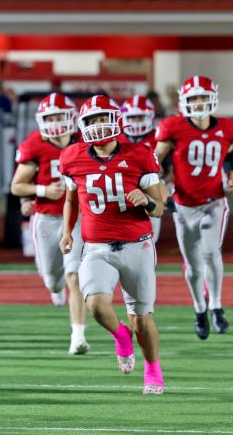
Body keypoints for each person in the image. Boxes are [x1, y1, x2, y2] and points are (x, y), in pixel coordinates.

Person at [60, 95, 167, 395]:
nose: (96, 126)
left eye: (101, 118)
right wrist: (67, 231)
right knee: (94, 302)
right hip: (97, 246)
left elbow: (159, 207)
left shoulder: (139, 154)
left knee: (142, 319)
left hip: (137, 245)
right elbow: (70, 199)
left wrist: (146, 200)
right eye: (91, 120)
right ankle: (121, 337)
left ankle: (152, 369)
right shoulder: (71, 157)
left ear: (117, 119)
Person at [155, 76, 232, 340]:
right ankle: (200, 309)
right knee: (193, 265)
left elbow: (230, 157)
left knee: (211, 252)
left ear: (212, 98)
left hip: (214, 202)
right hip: (184, 204)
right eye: (194, 98)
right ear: (184, 101)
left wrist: (231, 176)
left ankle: (217, 307)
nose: (199, 103)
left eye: (202, 97)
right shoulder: (172, 127)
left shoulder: (226, 127)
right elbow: (154, 162)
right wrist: (159, 186)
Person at [11, 93, 89, 355]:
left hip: (77, 219)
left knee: (74, 276)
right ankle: (54, 288)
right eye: (50, 117)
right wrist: (43, 191)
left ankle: (77, 336)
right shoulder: (35, 143)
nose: (55, 122)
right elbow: (17, 185)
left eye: (59, 116)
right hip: (45, 219)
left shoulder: (85, 142)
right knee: (53, 282)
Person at [119, 95, 162, 243]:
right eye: (132, 117)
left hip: (151, 193)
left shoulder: (159, 137)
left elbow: (169, 170)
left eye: (139, 117)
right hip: (122, 196)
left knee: (148, 240)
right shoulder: (116, 140)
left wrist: (165, 190)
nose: (135, 122)